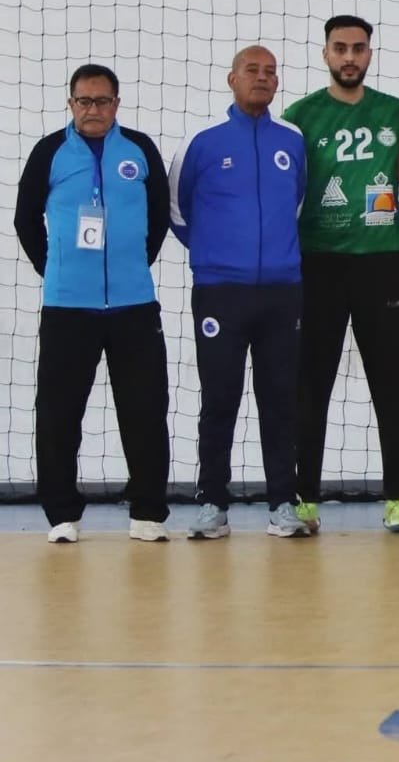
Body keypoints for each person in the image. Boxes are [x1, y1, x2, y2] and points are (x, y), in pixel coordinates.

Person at [15, 63, 172, 543]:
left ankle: (147, 512)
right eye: (84, 101)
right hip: (67, 308)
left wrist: (131, 266)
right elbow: (25, 219)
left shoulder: (140, 149)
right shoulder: (49, 152)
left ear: (116, 104)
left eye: (102, 101)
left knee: (146, 410)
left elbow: (159, 217)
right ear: (71, 104)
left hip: (134, 306)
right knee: (59, 414)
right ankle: (62, 515)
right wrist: (57, 270)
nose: (93, 110)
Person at [282, 15, 399, 533]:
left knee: (393, 381)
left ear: (369, 54)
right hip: (317, 263)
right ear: (325, 53)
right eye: (340, 48)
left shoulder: (394, 112)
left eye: (358, 48)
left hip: (381, 262)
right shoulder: (300, 117)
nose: (349, 57)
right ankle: (303, 498)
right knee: (309, 382)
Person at [168, 46, 309, 538]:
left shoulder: (292, 140)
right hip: (220, 293)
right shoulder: (202, 142)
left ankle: (283, 504)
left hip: (282, 293)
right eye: (252, 70)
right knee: (220, 398)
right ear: (232, 78)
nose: (262, 78)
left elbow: (296, 203)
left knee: (281, 400)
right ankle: (212, 504)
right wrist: (216, 254)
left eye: (271, 72)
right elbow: (177, 210)